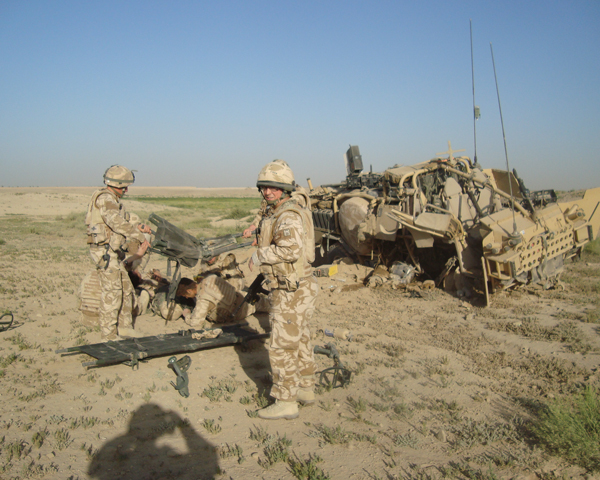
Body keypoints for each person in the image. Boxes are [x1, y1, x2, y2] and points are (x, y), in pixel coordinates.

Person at [248, 159, 318, 420]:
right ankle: (306, 388)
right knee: (300, 338)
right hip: (300, 286)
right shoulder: (281, 209)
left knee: (281, 346)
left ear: (285, 189)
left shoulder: (287, 215)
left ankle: (286, 400)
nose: (268, 192)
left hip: (291, 290)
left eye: (273, 188)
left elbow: (290, 249)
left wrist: (259, 255)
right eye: (264, 187)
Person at [85, 165, 152, 340]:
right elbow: (117, 223)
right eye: (123, 187)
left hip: (113, 252)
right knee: (112, 292)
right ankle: (109, 335)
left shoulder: (112, 200)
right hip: (105, 253)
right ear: (115, 184)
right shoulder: (105, 199)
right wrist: (140, 236)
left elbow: (122, 218)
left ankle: (124, 327)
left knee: (126, 288)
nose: (126, 190)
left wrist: (138, 226)